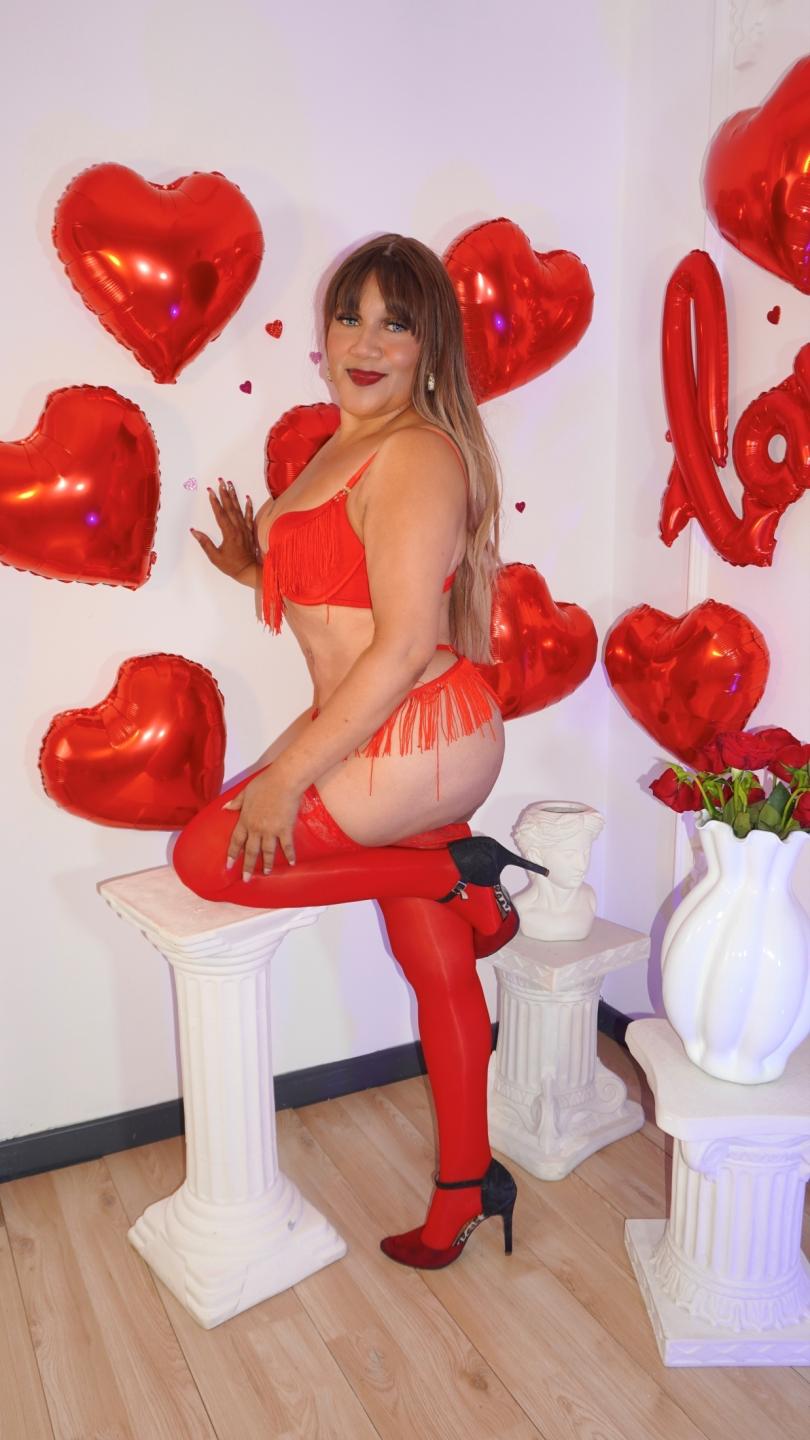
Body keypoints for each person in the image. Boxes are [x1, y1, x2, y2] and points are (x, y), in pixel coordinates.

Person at [175, 234, 546, 1269]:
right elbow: (342, 598)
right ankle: (468, 1184)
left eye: (396, 323)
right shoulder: (343, 444)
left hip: (418, 729)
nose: (367, 342)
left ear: (431, 348)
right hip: (396, 735)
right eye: (351, 316)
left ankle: (455, 874)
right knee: (437, 964)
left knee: (206, 860)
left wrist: (289, 776)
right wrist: (255, 564)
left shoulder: (417, 453)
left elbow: (399, 646)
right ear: (325, 331)